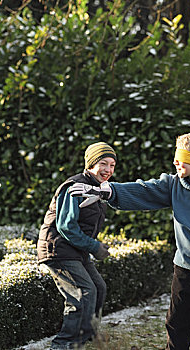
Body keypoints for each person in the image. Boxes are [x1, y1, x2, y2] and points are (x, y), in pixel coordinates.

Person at [69, 131, 190, 350]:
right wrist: (108, 191)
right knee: (176, 323)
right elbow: (144, 190)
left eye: (182, 159)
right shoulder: (174, 184)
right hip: (184, 269)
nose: (175, 162)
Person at [37, 142, 116, 350]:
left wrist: (93, 246)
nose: (108, 170)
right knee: (83, 291)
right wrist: (93, 246)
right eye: (103, 163)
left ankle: (87, 334)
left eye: (112, 165)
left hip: (75, 250)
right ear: (90, 164)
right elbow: (66, 226)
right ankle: (63, 343)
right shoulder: (75, 186)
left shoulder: (97, 189)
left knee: (98, 287)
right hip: (58, 248)